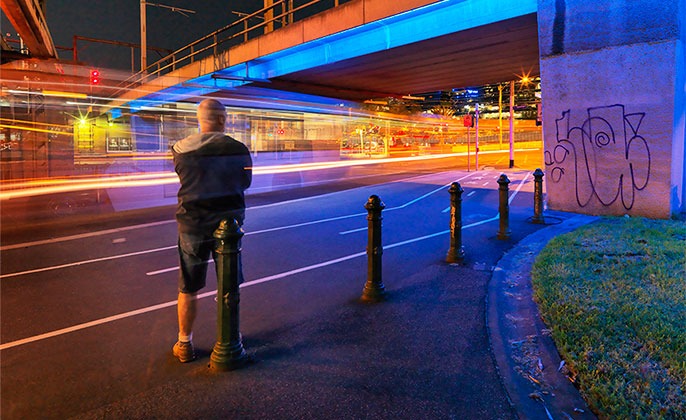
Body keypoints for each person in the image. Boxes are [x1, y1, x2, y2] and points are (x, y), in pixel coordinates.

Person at [171, 98, 252, 363]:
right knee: (228, 285)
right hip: (227, 227)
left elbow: (182, 177)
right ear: (221, 119)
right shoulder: (237, 149)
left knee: (188, 288)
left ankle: (185, 343)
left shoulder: (180, 150)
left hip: (191, 225)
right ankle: (231, 338)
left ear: (199, 119)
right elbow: (246, 181)